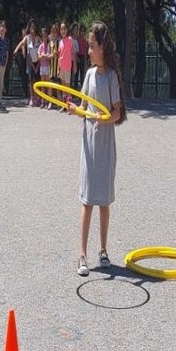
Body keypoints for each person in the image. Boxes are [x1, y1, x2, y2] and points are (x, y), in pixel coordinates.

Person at [67, 22, 128, 276]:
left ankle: (103, 250)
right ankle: (82, 254)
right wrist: (74, 109)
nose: (88, 51)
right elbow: (83, 106)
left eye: (91, 46)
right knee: (87, 200)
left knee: (103, 201)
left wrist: (103, 119)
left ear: (102, 47)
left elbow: (117, 112)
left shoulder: (111, 76)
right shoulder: (90, 75)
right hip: (89, 143)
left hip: (105, 143)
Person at [57, 21, 75, 112]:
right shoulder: (60, 42)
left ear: (67, 30)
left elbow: (73, 52)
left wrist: (74, 65)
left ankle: (69, 106)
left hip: (68, 66)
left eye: (64, 29)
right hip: (61, 67)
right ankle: (64, 105)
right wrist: (58, 68)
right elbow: (59, 55)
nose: (63, 31)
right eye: (61, 29)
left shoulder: (70, 39)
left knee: (68, 86)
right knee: (63, 86)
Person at [37, 28, 52, 109]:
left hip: (47, 67)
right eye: (43, 36)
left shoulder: (49, 45)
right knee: (43, 85)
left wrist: (44, 56)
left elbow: (49, 56)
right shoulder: (41, 46)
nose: (44, 38)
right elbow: (39, 56)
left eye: (45, 36)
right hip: (42, 67)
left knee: (48, 84)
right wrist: (43, 56)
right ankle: (43, 101)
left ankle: (49, 101)